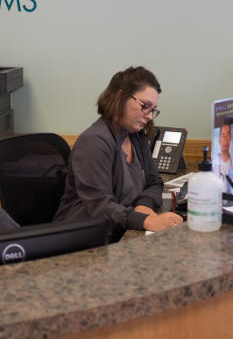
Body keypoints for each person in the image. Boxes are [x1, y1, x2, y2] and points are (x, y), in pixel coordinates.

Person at [53, 66, 183, 241]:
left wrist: (144, 205)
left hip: (119, 232)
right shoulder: (93, 142)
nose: (150, 116)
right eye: (145, 106)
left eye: (152, 109)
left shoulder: (136, 135)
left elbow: (155, 182)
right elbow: (101, 207)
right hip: (84, 241)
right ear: (120, 97)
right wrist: (146, 221)